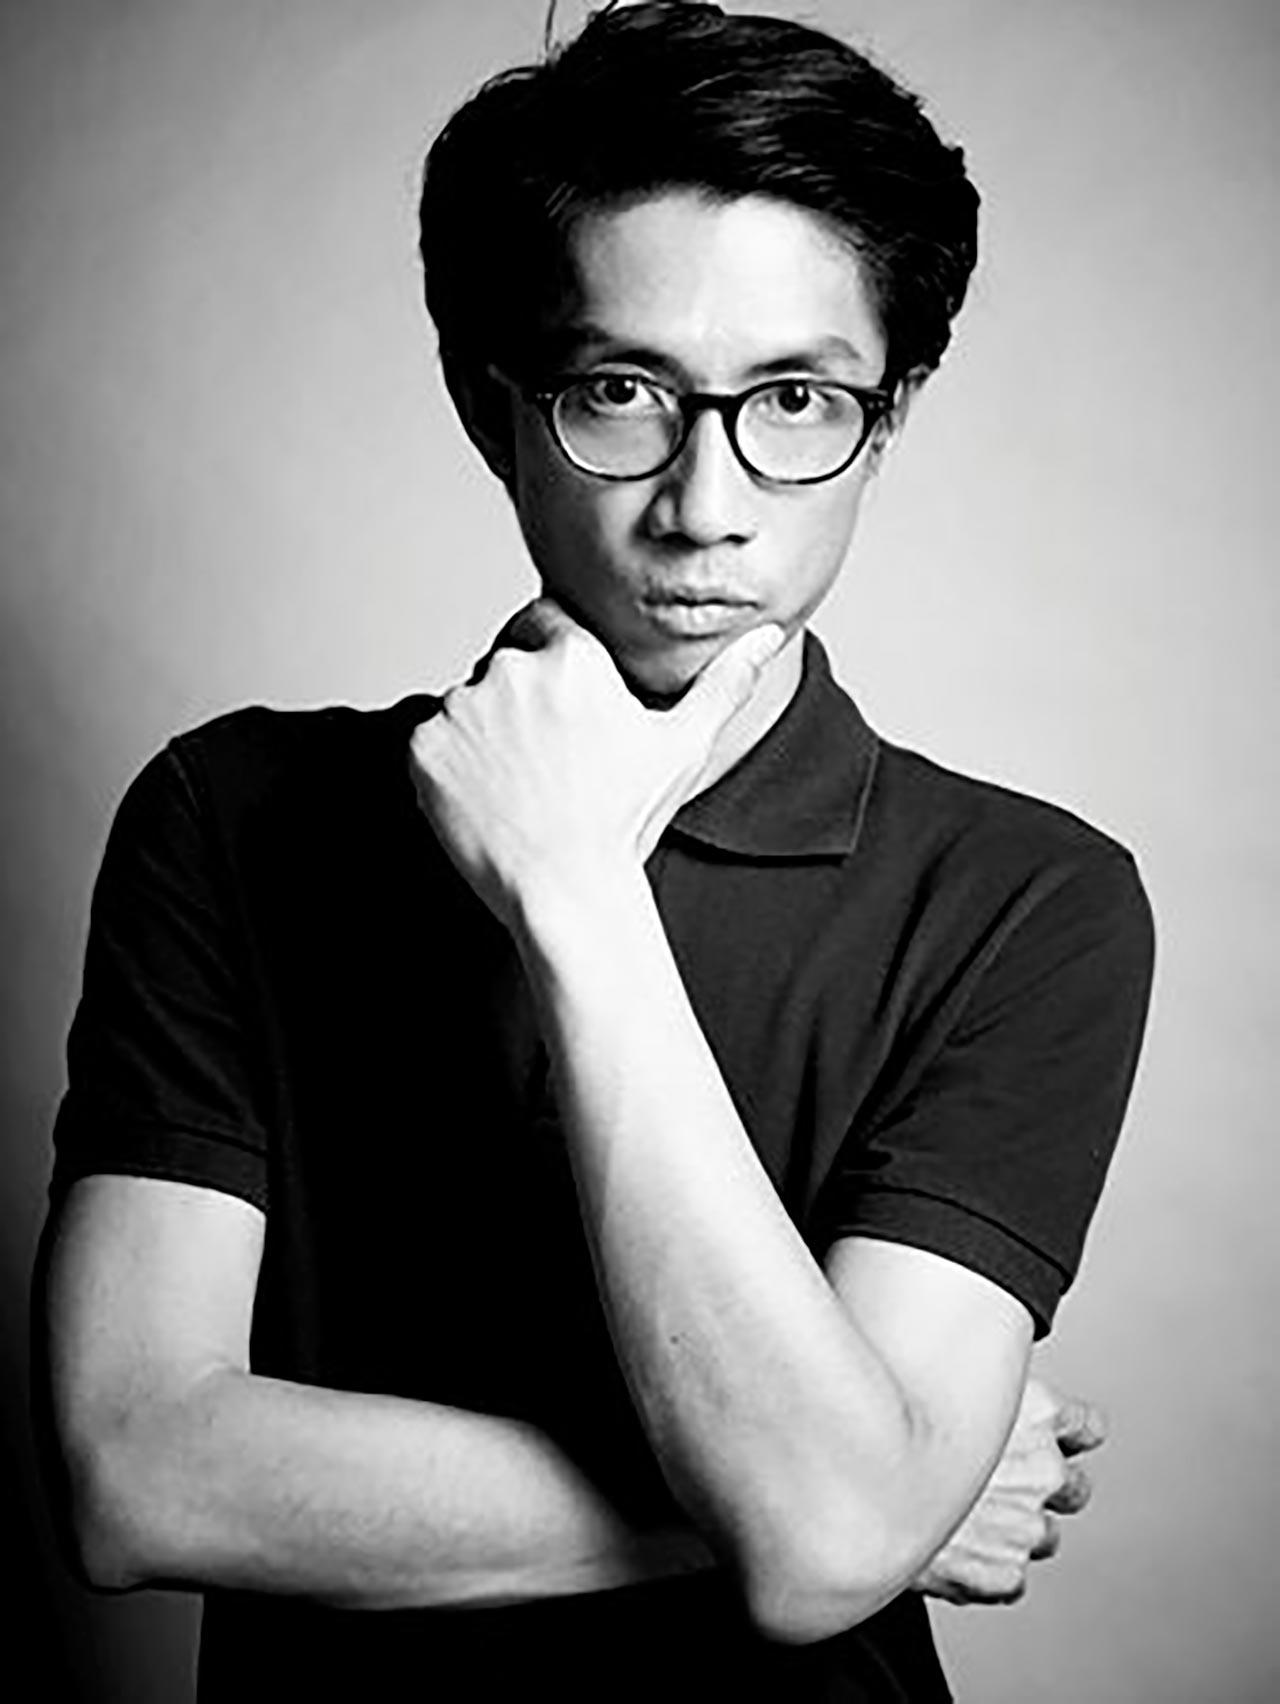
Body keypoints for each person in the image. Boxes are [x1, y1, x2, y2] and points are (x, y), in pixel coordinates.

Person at [34, 3, 1153, 1699]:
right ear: (491, 406)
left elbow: (831, 1539)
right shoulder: (233, 814)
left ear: (891, 412)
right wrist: (862, 1497)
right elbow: (139, 1475)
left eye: (797, 398)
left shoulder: (1026, 899)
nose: (707, 502)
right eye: (619, 392)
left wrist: (571, 887)